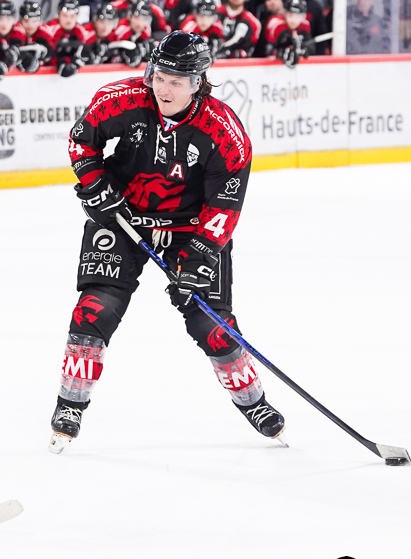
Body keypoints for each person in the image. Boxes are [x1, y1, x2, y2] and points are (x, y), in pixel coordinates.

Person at [50, 31, 285, 454]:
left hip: (191, 229)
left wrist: (197, 260)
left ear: (198, 82)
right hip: (123, 218)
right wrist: (95, 185)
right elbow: (81, 139)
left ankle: (254, 402)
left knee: (211, 325)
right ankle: (70, 405)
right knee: (95, 309)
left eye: (176, 81)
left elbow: (224, 207)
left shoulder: (224, 133)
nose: (164, 88)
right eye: (159, 77)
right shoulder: (122, 99)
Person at [42, 0, 93, 77]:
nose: (68, 19)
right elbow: (47, 56)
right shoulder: (49, 30)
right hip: (47, 75)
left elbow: (86, 55)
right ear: (59, 15)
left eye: (72, 16)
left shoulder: (81, 30)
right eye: (65, 15)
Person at [264, 0, 314, 66]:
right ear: (285, 13)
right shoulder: (276, 24)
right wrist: (281, 50)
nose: (293, 20)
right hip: (273, 66)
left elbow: (310, 48)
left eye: (298, 16)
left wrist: (303, 50)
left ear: (303, 16)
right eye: (290, 15)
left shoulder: (305, 25)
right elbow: (268, 50)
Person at [18, 0, 52, 73]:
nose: (30, 25)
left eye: (34, 21)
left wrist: (45, 53)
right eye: (26, 21)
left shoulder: (45, 31)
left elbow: (50, 52)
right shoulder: (16, 31)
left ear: (40, 21)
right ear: (20, 20)